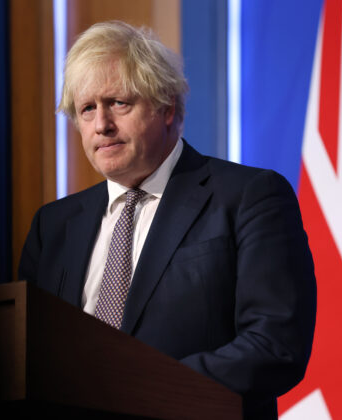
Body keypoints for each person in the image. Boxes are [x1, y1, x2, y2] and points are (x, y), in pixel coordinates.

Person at [18, 20, 316, 420]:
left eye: (118, 103)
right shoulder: (52, 226)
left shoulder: (249, 196)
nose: (101, 125)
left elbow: (275, 345)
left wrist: (140, 389)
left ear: (167, 107)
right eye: (87, 109)